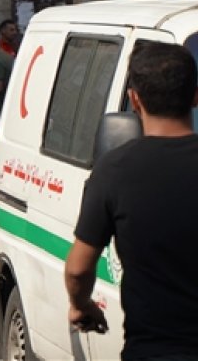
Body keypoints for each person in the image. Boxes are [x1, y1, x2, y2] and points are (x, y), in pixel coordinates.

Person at [66, 42, 198, 357]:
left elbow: (78, 269)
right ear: (195, 95)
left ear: (134, 100)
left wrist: (81, 306)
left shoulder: (115, 169)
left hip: (153, 349)